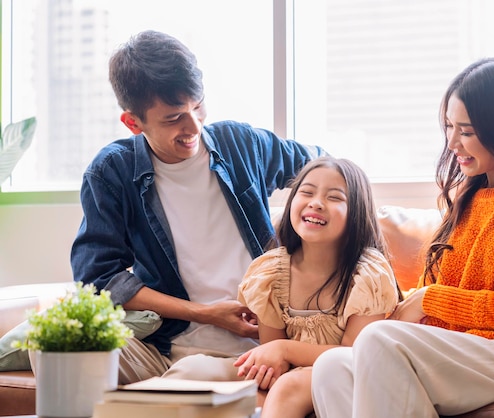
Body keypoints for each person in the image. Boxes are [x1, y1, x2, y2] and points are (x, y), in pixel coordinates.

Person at [310, 57, 494, 418]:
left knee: (379, 341)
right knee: (332, 368)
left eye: (467, 131)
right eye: (448, 126)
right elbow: (445, 299)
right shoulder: (470, 198)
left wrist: (429, 299)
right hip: (470, 351)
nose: (452, 143)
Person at [69, 30, 325, 384]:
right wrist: (205, 314)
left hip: (267, 342)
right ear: (133, 123)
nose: (194, 126)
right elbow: (99, 280)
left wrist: (299, 231)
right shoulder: (112, 172)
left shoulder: (240, 144)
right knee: (60, 346)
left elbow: (324, 167)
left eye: (198, 105)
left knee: (189, 379)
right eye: (174, 118)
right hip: (166, 346)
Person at [234, 156, 401, 418]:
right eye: (307, 192)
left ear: (356, 212)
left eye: (334, 197)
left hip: (343, 372)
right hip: (290, 372)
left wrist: (285, 349)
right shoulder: (269, 273)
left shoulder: (367, 273)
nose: (316, 203)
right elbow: (273, 359)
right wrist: (274, 358)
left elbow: (353, 355)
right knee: (236, 390)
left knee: (288, 387)